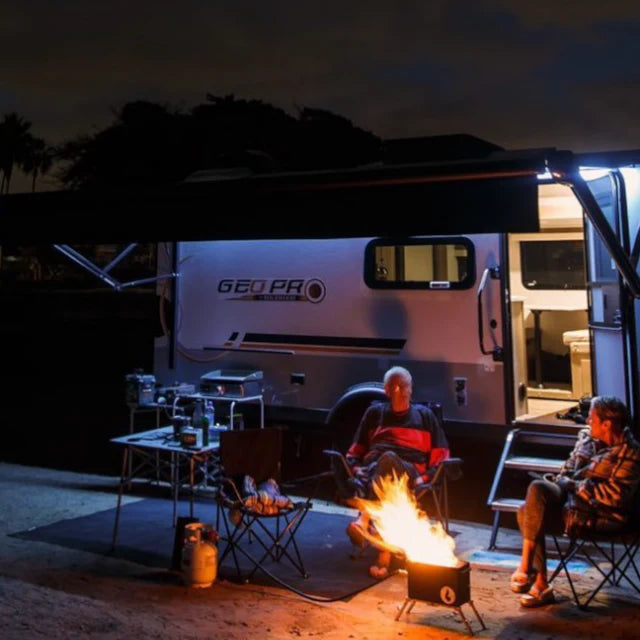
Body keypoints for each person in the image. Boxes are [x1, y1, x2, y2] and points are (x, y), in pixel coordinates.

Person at [511, 395, 640, 607]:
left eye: (591, 418)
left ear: (607, 424)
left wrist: (574, 486)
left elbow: (615, 498)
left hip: (600, 513)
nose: (587, 421)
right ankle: (529, 571)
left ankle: (537, 580)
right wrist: (566, 482)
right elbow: (567, 468)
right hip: (570, 500)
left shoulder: (630, 453)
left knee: (527, 510)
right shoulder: (587, 439)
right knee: (536, 490)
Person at [343, 366, 450, 578]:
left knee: (389, 460)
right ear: (386, 390)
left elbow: (441, 456)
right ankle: (384, 554)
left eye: (404, 386)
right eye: (394, 386)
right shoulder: (374, 414)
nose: (399, 390)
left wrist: (424, 478)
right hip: (375, 471)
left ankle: (365, 521)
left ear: (411, 390)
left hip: (409, 471)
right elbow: (355, 451)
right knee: (384, 466)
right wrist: (356, 469)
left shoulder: (425, 416)